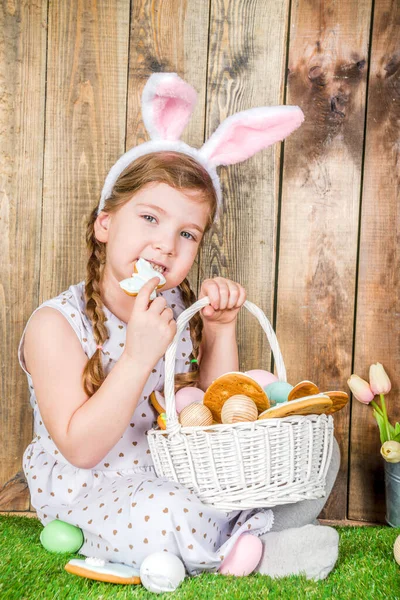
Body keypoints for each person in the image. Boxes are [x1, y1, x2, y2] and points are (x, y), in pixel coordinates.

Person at [18, 72, 339, 581]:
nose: (166, 244)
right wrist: (139, 354)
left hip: (181, 471)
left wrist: (220, 330)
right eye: (149, 218)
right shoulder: (55, 324)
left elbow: (210, 412)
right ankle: (257, 547)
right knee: (163, 512)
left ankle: (243, 529)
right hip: (96, 489)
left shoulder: (175, 308)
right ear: (105, 224)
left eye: (186, 233)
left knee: (317, 454)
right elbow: (80, 448)